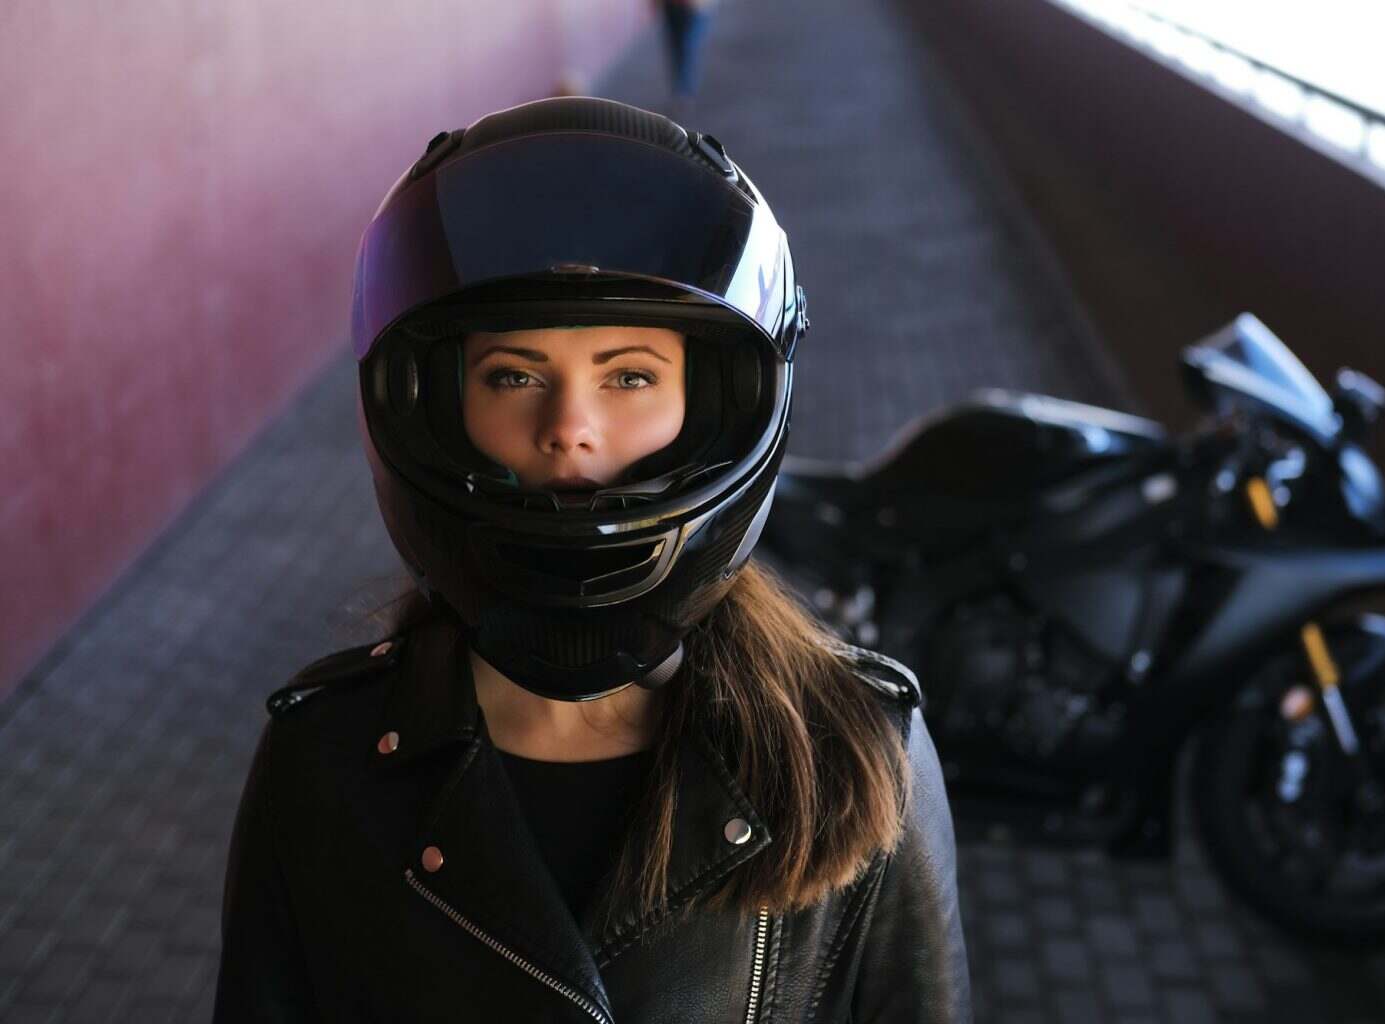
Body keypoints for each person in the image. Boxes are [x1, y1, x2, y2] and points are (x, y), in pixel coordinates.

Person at [213, 96, 972, 1022]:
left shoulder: (854, 746)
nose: (570, 430)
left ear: (719, 403)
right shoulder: (322, 759)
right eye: (514, 376)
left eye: (630, 376)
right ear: (432, 406)